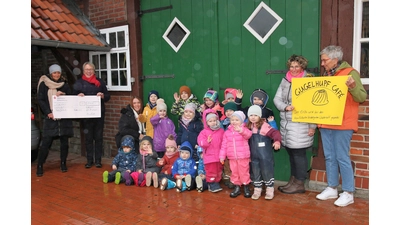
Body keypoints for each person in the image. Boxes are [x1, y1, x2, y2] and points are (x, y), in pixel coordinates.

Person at [315, 45, 367, 207]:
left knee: (342, 157)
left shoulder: (350, 73)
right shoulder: (326, 75)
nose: (322, 63)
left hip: (343, 123)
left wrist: (352, 86)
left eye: (325, 60)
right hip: (326, 121)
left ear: (335, 60)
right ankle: (332, 187)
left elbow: (361, 97)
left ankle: (348, 192)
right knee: (329, 156)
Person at [273, 55, 317, 194]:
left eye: (297, 66)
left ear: (302, 67)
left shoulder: (308, 80)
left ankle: (299, 182)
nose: (293, 69)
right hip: (287, 124)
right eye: (291, 66)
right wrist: (285, 107)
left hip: (301, 124)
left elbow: (313, 105)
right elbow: (277, 98)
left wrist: (312, 126)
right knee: (292, 153)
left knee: (299, 154)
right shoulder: (285, 80)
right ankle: (293, 180)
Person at [36, 64, 74, 176]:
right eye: (54, 73)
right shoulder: (44, 84)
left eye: (58, 72)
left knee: (64, 143)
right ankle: (40, 165)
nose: (57, 75)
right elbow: (41, 99)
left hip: (63, 118)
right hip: (50, 118)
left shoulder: (64, 84)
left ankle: (63, 163)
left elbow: (70, 98)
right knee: (46, 143)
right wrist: (48, 112)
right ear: (50, 73)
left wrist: (63, 95)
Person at [73, 62, 110, 168]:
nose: (89, 71)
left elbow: (107, 96)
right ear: (83, 71)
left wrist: (103, 95)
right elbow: (72, 96)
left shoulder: (100, 82)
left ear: (94, 71)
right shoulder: (79, 83)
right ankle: (89, 160)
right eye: (87, 69)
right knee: (88, 138)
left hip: (99, 114)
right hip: (86, 115)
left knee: (98, 138)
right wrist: (77, 96)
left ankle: (98, 160)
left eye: (91, 69)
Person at [246, 105, 282, 200]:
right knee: (255, 171)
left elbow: (275, 133)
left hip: (265, 156)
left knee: (267, 171)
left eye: (255, 115)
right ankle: (257, 189)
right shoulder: (248, 126)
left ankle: (269, 189)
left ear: (260, 116)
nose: (253, 117)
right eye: (251, 115)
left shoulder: (264, 126)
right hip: (253, 155)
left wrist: (277, 141)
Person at [219, 111, 252, 198]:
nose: (234, 122)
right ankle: (237, 187)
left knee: (244, 172)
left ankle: (246, 187)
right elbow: (224, 145)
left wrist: (241, 131)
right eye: (232, 120)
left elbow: (248, 135)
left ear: (242, 121)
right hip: (232, 157)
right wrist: (222, 156)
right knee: (234, 172)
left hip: (243, 156)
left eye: (237, 120)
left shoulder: (244, 130)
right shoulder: (227, 132)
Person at [197, 109, 224, 192]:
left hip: (219, 156)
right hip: (209, 157)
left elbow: (224, 142)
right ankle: (211, 183)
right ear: (206, 122)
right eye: (210, 121)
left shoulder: (221, 131)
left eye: (214, 120)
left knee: (218, 170)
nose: (213, 122)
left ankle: (216, 182)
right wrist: (206, 142)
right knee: (211, 171)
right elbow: (200, 142)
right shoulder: (204, 132)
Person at [220, 102, 238, 189]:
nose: (228, 112)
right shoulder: (222, 122)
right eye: (226, 111)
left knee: (234, 164)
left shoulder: (238, 122)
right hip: (225, 146)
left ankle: (234, 179)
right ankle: (227, 176)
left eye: (231, 110)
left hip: (235, 147)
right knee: (226, 163)